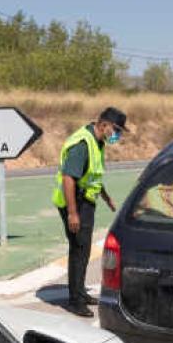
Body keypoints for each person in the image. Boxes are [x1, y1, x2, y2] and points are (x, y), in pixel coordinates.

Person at [51, 107, 128, 317]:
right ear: (103, 125)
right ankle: (75, 301)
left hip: (85, 200)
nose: (118, 135)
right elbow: (69, 178)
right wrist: (73, 213)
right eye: (117, 130)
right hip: (74, 202)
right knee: (78, 248)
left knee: (83, 249)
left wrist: (105, 196)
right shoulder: (83, 144)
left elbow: (92, 175)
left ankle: (80, 292)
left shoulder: (98, 142)